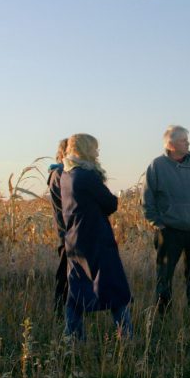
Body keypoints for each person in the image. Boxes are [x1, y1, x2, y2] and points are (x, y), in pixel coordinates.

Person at [61, 133, 133, 340]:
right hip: (97, 240)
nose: (97, 152)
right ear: (85, 149)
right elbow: (110, 203)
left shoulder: (66, 175)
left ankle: (73, 337)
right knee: (115, 288)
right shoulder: (86, 176)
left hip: (74, 239)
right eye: (94, 147)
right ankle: (126, 335)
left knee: (76, 291)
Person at [142, 125, 190, 314]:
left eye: (187, 140)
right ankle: (163, 315)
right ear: (171, 144)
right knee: (164, 275)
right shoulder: (157, 166)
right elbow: (147, 200)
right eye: (183, 140)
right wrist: (158, 224)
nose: (188, 143)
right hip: (169, 231)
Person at [46, 138, 69, 314]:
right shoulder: (61, 174)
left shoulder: (59, 173)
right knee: (65, 275)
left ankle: (63, 311)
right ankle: (60, 312)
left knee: (67, 275)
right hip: (68, 232)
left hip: (67, 231)